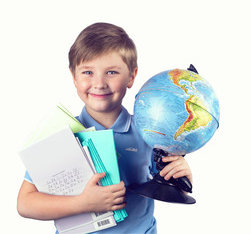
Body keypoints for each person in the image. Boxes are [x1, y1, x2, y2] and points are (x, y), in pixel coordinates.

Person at [17, 22, 193, 234]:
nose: (99, 83)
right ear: (73, 76)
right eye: (88, 72)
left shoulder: (150, 130)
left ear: (131, 76)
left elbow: (164, 181)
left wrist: (181, 176)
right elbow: (25, 204)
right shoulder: (61, 134)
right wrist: (82, 203)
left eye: (111, 72)